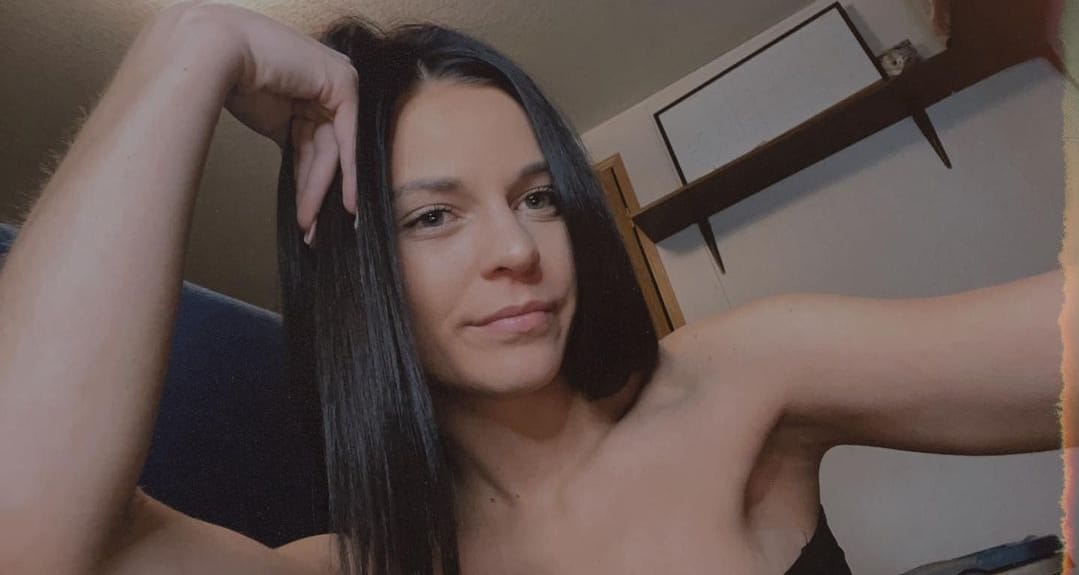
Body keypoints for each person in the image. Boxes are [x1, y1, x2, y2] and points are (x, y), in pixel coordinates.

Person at [0, 2, 1064, 575]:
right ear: (358, 274)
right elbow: (26, 538)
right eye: (433, 215)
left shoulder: (743, 382)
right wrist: (188, 46)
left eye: (537, 196)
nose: (516, 247)